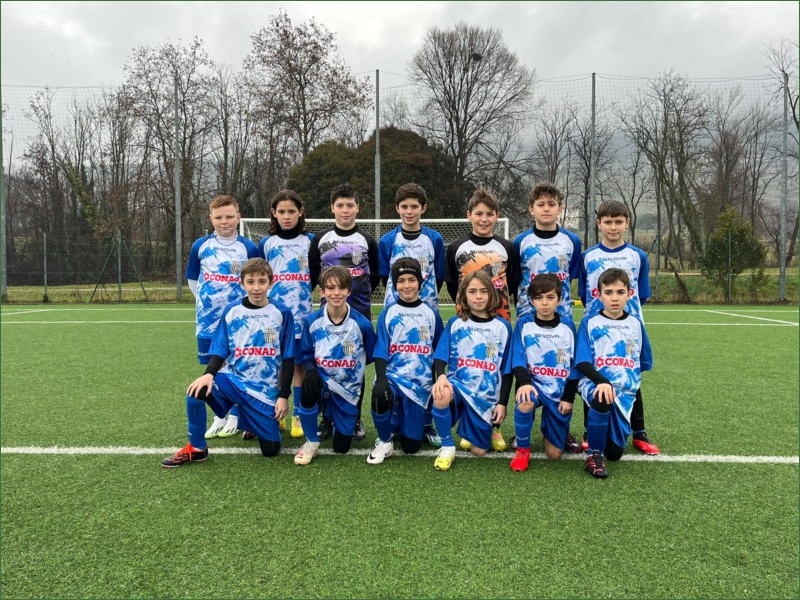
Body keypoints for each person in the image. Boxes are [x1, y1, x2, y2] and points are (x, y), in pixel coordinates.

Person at [162, 258, 294, 467]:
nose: (256, 287)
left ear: (271, 282)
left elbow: (288, 357)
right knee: (195, 392)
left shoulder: (282, 313)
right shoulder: (232, 311)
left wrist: (283, 395)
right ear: (242, 284)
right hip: (234, 380)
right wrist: (209, 374)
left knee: (271, 451)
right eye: (250, 282)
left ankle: (252, 420)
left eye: (262, 281)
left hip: (264, 391)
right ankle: (197, 448)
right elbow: (221, 348)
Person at [578, 200, 659, 455]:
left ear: (627, 223)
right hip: (598, 329)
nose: (613, 227)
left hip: (628, 327)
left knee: (631, 376)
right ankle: (589, 431)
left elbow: (641, 294)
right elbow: (584, 294)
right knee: (593, 376)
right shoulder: (588, 256)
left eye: (618, 222)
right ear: (599, 224)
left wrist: (625, 318)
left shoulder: (637, 256)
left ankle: (639, 432)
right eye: (608, 222)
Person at [444, 188, 519, 452]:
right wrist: (467, 306)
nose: (484, 219)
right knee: (468, 368)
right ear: (469, 215)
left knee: (494, 370)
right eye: (478, 214)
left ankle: (495, 427)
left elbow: (514, 282)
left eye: (489, 214)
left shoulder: (507, 247)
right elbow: (452, 284)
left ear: (497, 216)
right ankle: (470, 422)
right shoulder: (456, 247)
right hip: (467, 319)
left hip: (499, 317)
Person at [511, 182, 582, 452]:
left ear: (560, 209)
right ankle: (522, 430)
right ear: (531, 209)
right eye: (540, 204)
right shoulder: (521, 242)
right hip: (528, 315)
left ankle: (559, 429)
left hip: (561, 316)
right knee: (528, 367)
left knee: (558, 369)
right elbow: (515, 278)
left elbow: (570, 275)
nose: (546, 209)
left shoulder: (572, 241)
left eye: (552, 204)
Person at [308, 185, 380, 442]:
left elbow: (375, 275)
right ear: (332, 208)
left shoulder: (367, 241)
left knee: (354, 367)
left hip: (359, 313)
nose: (345, 210)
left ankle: (355, 417)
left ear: (357, 207)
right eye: (340, 205)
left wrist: (357, 297)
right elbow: (314, 273)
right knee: (327, 364)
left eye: (350, 205)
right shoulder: (321, 239)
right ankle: (326, 418)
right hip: (328, 315)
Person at [185, 195, 260, 440]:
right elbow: (194, 280)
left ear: (238, 217)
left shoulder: (248, 248)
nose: (224, 221)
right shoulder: (200, 245)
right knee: (212, 367)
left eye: (229, 216)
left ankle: (236, 414)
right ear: (211, 219)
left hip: (239, 324)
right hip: (207, 321)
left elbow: (256, 281)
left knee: (239, 366)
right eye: (219, 217)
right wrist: (207, 303)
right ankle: (219, 414)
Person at [377, 183, 446, 446]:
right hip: (397, 312)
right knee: (397, 361)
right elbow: (384, 276)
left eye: (414, 206)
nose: (409, 211)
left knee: (425, 365)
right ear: (397, 208)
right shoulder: (388, 240)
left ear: (423, 208)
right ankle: (396, 421)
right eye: (404, 206)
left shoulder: (434, 239)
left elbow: (438, 276)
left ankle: (426, 421)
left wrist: (425, 303)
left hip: (426, 311)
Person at [294, 266, 377, 466]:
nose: (336, 293)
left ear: (349, 291)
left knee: (341, 447)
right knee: (308, 386)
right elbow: (306, 353)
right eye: (330, 288)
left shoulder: (361, 324)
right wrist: (311, 371)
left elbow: (372, 354)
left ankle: (337, 420)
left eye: (341, 288)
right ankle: (311, 442)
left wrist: (351, 368)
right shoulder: (313, 321)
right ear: (322, 292)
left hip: (347, 390)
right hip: (322, 381)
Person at [429, 271, 513, 471]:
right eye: (473, 291)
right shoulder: (456, 323)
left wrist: (502, 403)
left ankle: (489, 429)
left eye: (484, 291)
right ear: (464, 295)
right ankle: (447, 447)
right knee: (441, 394)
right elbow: (440, 356)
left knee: (479, 451)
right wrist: (441, 377)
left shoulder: (502, 327)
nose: (478, 296)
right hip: (458, 386)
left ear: (491, 294)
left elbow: (507, 370)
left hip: (485, 396)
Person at [575, 268, 653, 478]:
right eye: (608, 292)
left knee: (615, 453)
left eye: (620, 292)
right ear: (599, 295)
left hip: (624, 392)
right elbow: (582, 362)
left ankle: (604, 432)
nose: (615, 298)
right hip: (595, 383)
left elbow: (642, 360)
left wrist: (628, 380)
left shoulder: (635, 323)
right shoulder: (590, 322)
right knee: (602, 395)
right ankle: (594, 455)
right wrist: (602, 381)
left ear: (629, 294)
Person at [368, 258, 444, 465]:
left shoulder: (431, 315)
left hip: (419, 384)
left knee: (411, 447)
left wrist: (439, 379)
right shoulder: (388, 313)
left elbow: (439, 352)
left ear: (420, 282)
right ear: (394, 284)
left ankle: (418, 426)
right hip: (393, 378)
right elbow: (381, 349)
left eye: (412, 279)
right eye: (401, 281)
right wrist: (381, 378)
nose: (407, 285)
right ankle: (385, 439)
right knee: (379, 394)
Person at [509, 274, 580, 472]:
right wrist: (524, 383)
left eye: (550, 297)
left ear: (559, 299)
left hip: (558, 392)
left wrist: (568, 397)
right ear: (532, 300)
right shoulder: (524, 324)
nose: (545, 303)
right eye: (539, 298)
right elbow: (518, 359)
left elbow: (575, 364)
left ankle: (549, 428)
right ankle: (522, 450)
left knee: (554, 454)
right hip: (533, 386)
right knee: (525, 401)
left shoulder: (567, 326)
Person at [259, 189, 314, 439]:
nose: (287, 216)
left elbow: (315, 276)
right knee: (275, 364)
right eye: (281, 211)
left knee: (299, 366)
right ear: (274, 213)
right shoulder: (266, 244)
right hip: (273, 318)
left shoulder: (310, 241)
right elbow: (259, 277)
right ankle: (276, 412)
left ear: (300, 212)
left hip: (302, 317)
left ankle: (298, 415)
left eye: (292, 211)